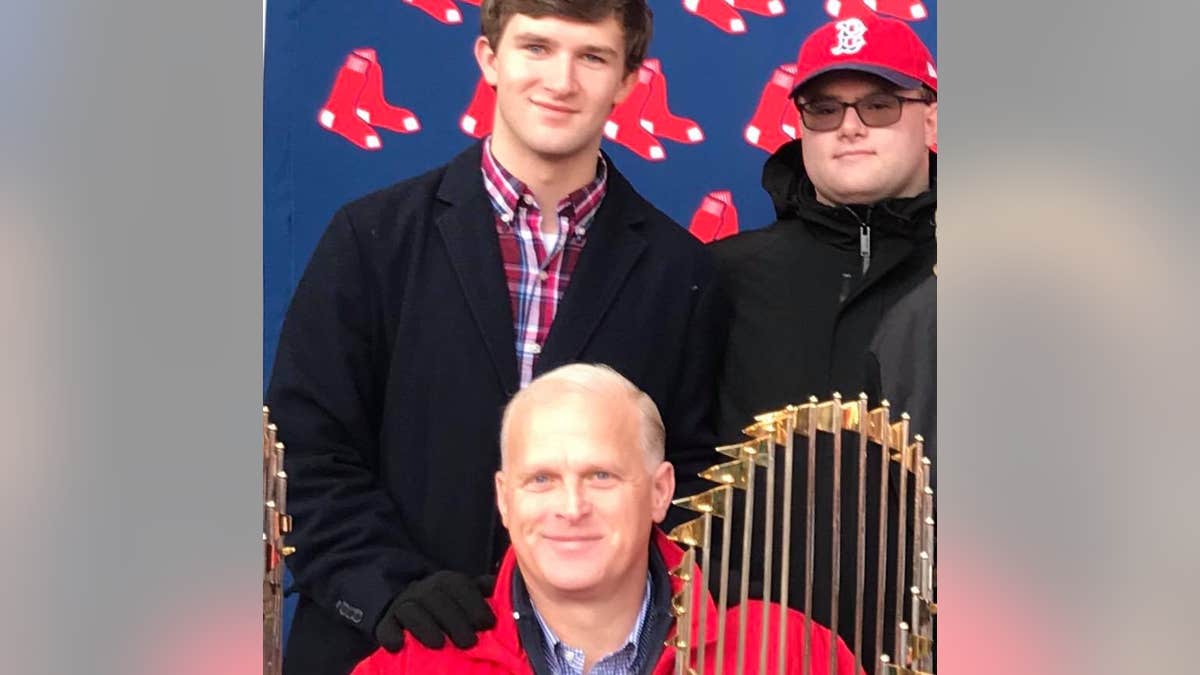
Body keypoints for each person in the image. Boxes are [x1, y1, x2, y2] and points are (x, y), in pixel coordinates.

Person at [265, 2, 725, 672]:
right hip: (380, 646)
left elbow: (683, 480)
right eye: (536, 47)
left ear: (628, 80)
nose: (561, 80)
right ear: (489, 59)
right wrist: (389, 588)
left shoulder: (682, 272)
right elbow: (307, 450)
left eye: (591, 56)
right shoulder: (371, 240)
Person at [351, 364, 856, 675]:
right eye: (541, 479)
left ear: (661, 492)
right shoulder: (415, 664)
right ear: (505, 500)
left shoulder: (790, 654)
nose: (571, 508)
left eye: (600, 476)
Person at [709, 8, 936, 672]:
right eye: (824, 108)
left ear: (931, 117)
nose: (851, 126)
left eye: (879, 103)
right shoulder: (729, 275)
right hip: (763, 648)